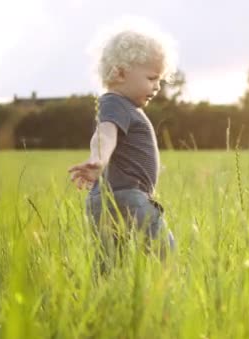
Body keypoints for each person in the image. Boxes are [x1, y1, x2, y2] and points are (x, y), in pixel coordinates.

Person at [68, 20, 177, 269]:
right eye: (151, 78)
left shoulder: (121, 106)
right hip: (128, 197)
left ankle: (103, 300)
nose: (157, 86)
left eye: (160, 79)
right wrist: (98, 159)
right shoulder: (115, 103)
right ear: (120, 73)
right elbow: (104, 134)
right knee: (166, 256)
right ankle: (171, 298)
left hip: (101, 201)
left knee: (109, 265)